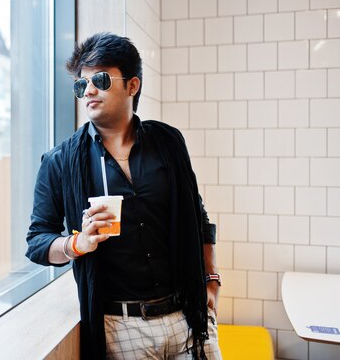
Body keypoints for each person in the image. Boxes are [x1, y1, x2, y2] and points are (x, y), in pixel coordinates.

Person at [25, 32, 221, 359]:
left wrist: (211, 280)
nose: (87, 90)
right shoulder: (60, 162)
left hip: (190, 316)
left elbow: (197, 216)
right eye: (80, 84)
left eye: (99, 79)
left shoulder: (168, 142)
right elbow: (37, 242)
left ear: (133, 85)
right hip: (122, 327)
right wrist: (78, 243)